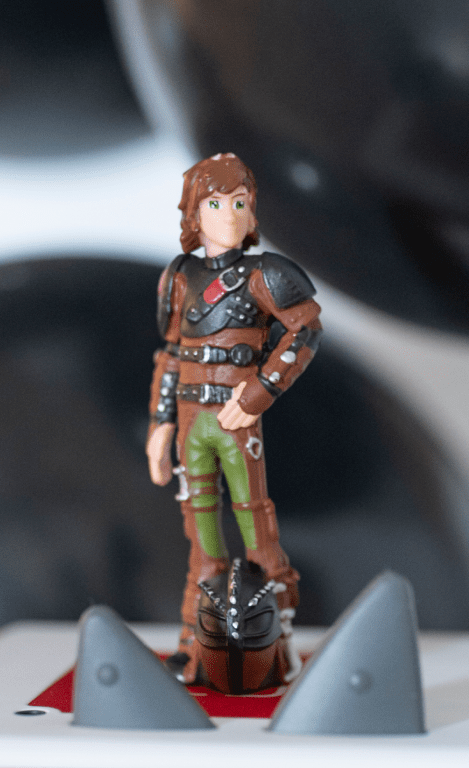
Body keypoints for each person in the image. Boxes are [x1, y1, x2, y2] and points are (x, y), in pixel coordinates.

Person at [146, 153, 322, 687]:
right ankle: (193, 643)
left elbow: (305, 331)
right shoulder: (180, 277)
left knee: (257, 533)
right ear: (194, 214)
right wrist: (160, 424)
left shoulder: (266, 274)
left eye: (239, 203)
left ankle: (280, 640)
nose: (228, 215)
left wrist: (261, 390)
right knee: (202, 542)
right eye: (215, 204)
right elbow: (171, 353)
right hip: (190, 420)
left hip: (235, 420)